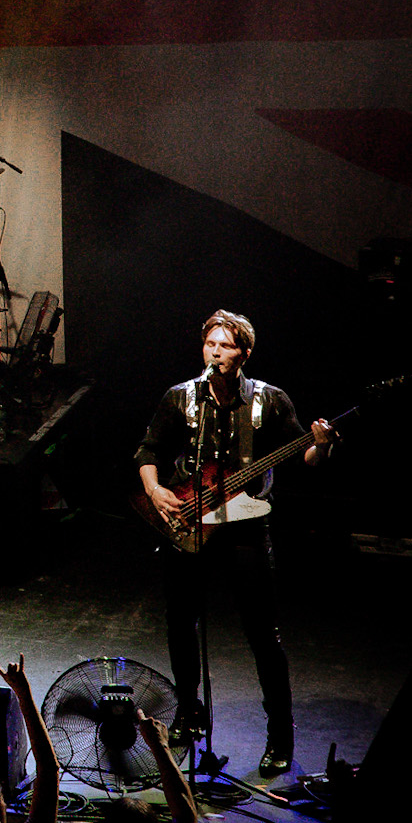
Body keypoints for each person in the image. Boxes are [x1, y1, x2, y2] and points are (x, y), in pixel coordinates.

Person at [134, 309, 336, 776]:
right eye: (210, 344)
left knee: (262, 633)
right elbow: (148, 450)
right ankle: (188, 710)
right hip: (190, 520)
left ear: (244, 353)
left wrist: (323, 444)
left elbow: (304, 455)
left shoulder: (269, 400)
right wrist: (155, 490)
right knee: (180, 623)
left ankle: (280, 733)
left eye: (225, 346)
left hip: (245, 527)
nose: (215, 353)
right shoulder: (182, 397)